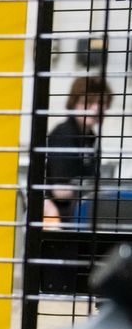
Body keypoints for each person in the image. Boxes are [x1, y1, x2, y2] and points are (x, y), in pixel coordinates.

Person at [41, 75, 111, 226]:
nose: (96, 108)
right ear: (74, 103)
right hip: (60, 219)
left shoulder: (90, 137)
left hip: (80, 215)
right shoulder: (64, 134)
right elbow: (59, 191)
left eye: (102, 103)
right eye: (89, 102)